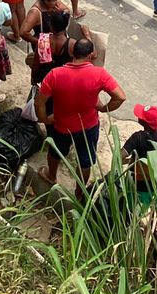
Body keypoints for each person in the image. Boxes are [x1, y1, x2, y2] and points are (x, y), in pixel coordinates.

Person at [37, 37, 124, 185]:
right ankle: (79, 192)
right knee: (85, 160)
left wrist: (45, 119)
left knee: (55, 152)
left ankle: (51, 177)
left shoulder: (55, 74)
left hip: (61, 125)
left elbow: (39, 103)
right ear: (90, 55)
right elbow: (120, 97)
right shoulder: (99, 74)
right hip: (88, 126)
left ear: (73, 52)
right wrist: (103, 108)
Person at [122, 104, 157, 204]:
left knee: (132, 210)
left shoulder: (137, 138)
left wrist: (130, 162)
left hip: (137, 186)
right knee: (148, 209)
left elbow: (118, 157)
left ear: (144, 122)